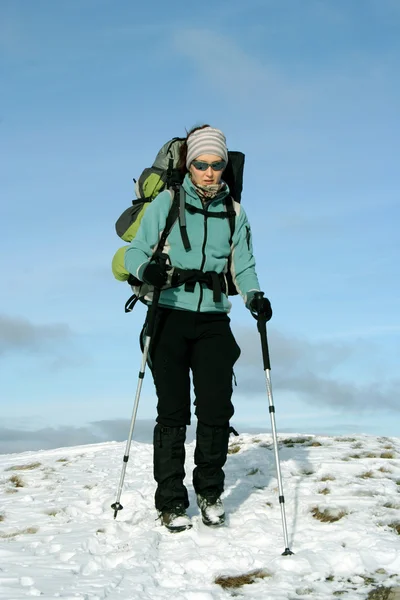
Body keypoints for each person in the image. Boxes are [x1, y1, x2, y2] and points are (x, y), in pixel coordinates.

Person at [124, 125, 272, 532]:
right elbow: (137, 250)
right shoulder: (168, 203)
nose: (209, 172)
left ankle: (209, 491)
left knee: (216, 410)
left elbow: (243, 264)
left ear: (225, 165)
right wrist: (146, 267)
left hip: (212, 320)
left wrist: (254, 295)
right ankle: (171, 500)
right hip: (168, 314)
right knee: (171, 413)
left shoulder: (235, 212)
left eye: (216, 164)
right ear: (189, 165)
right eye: (201, 164)